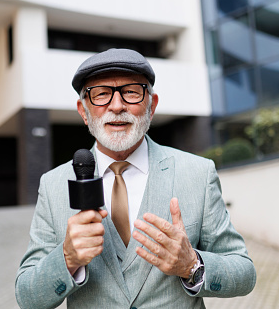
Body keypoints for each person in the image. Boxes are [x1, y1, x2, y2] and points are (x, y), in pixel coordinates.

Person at [15, 48, 256, 308]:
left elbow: (244, 273)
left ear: (151, 105)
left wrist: (192, 265)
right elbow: (28, 297)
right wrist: (67, 258)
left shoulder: (198, 173)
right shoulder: (53, 185)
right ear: (83, 111)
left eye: (131, 92)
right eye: (101, 94)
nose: (117, 106)